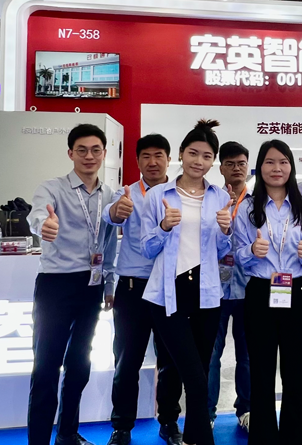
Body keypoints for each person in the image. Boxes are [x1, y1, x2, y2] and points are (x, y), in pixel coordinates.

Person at [142, 119, 234, 445]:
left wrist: (226, 230)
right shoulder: (158, 195)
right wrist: (164, 227)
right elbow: (147, 248)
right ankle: (194, 436)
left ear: (214, 161)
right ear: (181, 154)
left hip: (207, 293)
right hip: (168, 293)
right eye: (193, 153)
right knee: (192, 376)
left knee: (201, 372)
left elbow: (222, 252)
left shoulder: (219, 197)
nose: (199, 161)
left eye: (207, 156)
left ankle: (193, 437)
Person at [26, 124, 118, 445]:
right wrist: (44, 225)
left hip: (91, 286)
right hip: (56, 285)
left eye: (95, 150)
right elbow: (38, 215)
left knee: (80, 364)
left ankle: (67, 433)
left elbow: (109, 243)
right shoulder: (52, 188)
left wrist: (109, 284)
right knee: (46, 367)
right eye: (82, 150)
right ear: (71, 153)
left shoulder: (109, 195)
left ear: (103, 153)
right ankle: (38, 440)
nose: (89, 156)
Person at [234, 139, 302, 445]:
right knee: (261, 373)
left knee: (295, 376)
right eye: (270, 162)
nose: (277, 168)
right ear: (260, 167)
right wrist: (251, 251)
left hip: (299, 293)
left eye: (283, 162)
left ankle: (295, 439)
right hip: (261, 293)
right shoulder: (247, 207)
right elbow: (238, 256)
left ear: (291, 167)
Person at [104, 134, 185, 445]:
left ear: (169, 159)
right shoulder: (126, 195)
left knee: (171, 360)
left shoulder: (179, 194)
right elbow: (110, 217)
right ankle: (122, 427)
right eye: (146, 156)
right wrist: (116, 211)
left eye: (159, 155)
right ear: (137, 161)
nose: (153, 162)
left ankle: (169, 422)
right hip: (132, 288)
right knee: (127, 362)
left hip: (169, 287)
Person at [208, 141, 252, 430]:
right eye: (230, 164)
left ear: (248, 167)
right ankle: (206, 413)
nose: (236, 168)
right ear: (221, 167)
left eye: (241, 164)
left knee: (248, 355)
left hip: (249, 288)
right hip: (215, 289)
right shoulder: (210, 200)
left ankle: (246, 410)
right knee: (211, 354)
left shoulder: (258, 202)